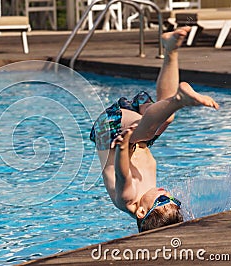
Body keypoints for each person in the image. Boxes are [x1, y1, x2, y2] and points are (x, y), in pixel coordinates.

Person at [90, 27, 219, 232]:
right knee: (164, 116)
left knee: (153, 126)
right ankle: (170, 49)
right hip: (138, 135)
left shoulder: (128, 199)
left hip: (112, 132)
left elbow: (122, 173)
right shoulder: (148, 194)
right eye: (172, 199)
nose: (165, 193)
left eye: (161, 201)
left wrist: (123, 145)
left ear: (142, 212)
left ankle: (179, 100)